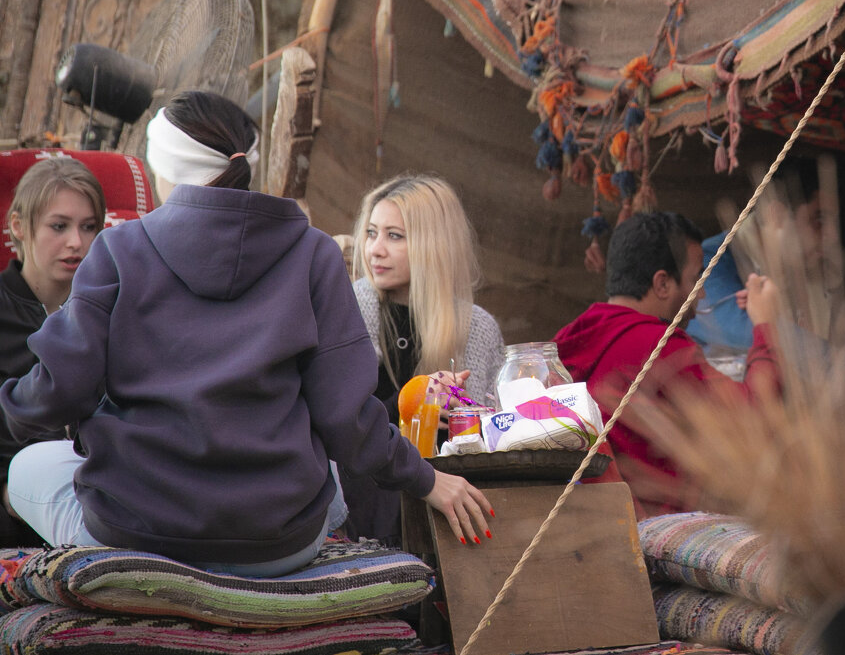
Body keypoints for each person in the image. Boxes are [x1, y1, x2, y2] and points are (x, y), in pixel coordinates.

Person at [0, 91, 491, 577]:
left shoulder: (117, 250)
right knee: (328, 479)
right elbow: (346, 419)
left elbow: (58, 391)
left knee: (27, 467)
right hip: (278, 547)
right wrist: (427, 480)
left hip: (138, 533)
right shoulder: (314, 254)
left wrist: (13, 404)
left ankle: (110, 571)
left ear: (162, 165)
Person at [553, 211, 781, 518]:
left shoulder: (569, 338)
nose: (701, 294)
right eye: (695, 279)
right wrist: (766, 325)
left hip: (597, 527)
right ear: (662, 283)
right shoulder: (660, 348)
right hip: (652, 541)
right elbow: (753, 418)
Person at [344, 174, 505, 542]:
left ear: (434, 244)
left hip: (449, 522)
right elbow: (344, 424)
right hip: (363, 520)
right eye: (371, 233)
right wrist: (420, 399)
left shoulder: (477, 328)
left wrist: (462, 409)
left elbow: (497, 436)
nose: (375, 249)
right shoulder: (347, 310)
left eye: (394, 236)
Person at [686, 158, 845, 445]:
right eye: (818, 219)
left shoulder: (824, 271)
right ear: (777, 215)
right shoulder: (712, 263)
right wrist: (842, 369)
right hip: (734, 441)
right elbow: (741, 327)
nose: (831, 235)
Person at [0, 157, 105, 546]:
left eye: (89, 227)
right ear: (18, 227)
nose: (76, 242)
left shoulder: (112, 314)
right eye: (58, 226)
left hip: (98, 496)